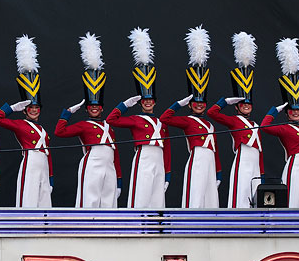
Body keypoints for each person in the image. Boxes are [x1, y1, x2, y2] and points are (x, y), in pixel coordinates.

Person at [54, 32, 121, 208]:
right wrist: (67, 113)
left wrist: (119, 179)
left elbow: (116, 155)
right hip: (92, 162)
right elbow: (59, 132)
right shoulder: (83, 125)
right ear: (86, 108)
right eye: (91, 106)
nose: (94, 108)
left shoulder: (109, 127)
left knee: (108, 200)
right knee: (89, 199)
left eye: (97, 106)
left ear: (102, 108)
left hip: (110, 165)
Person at [106, 27, 171, 208]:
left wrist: (168, 172)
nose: (148, 102)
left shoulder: (161, 122)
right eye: (144, 100)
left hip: (159, 158)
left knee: (158, 199)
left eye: (150, 99)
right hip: (144, 155)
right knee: (141, 195)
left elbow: (168, 149)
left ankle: (157, 229)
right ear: (140, 102)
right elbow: (111, 120)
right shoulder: (135, 119)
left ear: (155, 102)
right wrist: (125, 105)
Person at [160, 26, 221, 208]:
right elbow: (165, 118)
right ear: (190, 104)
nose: (200, 104)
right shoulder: (187, 120)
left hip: (210, 161)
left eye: (202, 102)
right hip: (197, 158)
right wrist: (178, 104)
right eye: (195, 102)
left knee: (211, 199)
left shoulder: (210, 126)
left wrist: (218, 172)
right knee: (195, 195)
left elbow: (215, 151)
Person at [0, 35, 53, 207]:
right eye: (30, 108)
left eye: (36, 108)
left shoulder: (43, 129)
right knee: (29, 196)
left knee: (45, 200)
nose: (33, 110)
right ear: (25, 110)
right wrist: (11, 108)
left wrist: (51, 177)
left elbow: (48, 154)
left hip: (43, 165)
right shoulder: (20, 124)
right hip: (30, 161)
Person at [206, 31, 264, 208]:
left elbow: (260, 151)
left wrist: (261, 171)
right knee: (240, 193)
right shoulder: (234, 120)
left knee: (256, 194)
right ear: (237, 106)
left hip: (255, 161)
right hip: (243, 158)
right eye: (242, 104)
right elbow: (212, 113)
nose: (246, 106)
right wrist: (224, 101)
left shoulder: (255, 125)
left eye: (248, 104)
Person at [260, 36, 299, 207]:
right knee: (293, 199)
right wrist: (274, 110)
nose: (295, 113)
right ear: (287, 113)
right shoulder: (284, 128)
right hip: (295, 165)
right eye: (292, 111)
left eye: (298, 111)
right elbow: (264, 127)